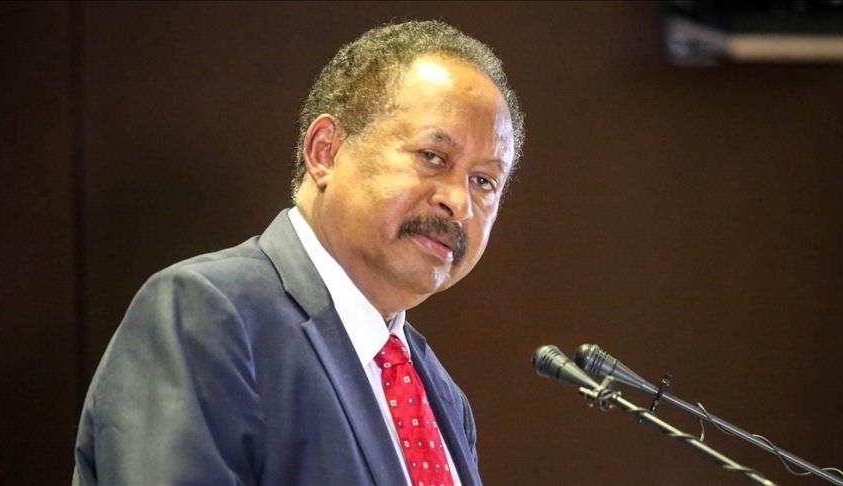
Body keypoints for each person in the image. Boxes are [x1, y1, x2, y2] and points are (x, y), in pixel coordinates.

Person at [73, 20, 525, 485]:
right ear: (326, 152)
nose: (458, 202)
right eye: (432, 156)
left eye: (484, 181)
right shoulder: (207, 315)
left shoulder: (443, 397)